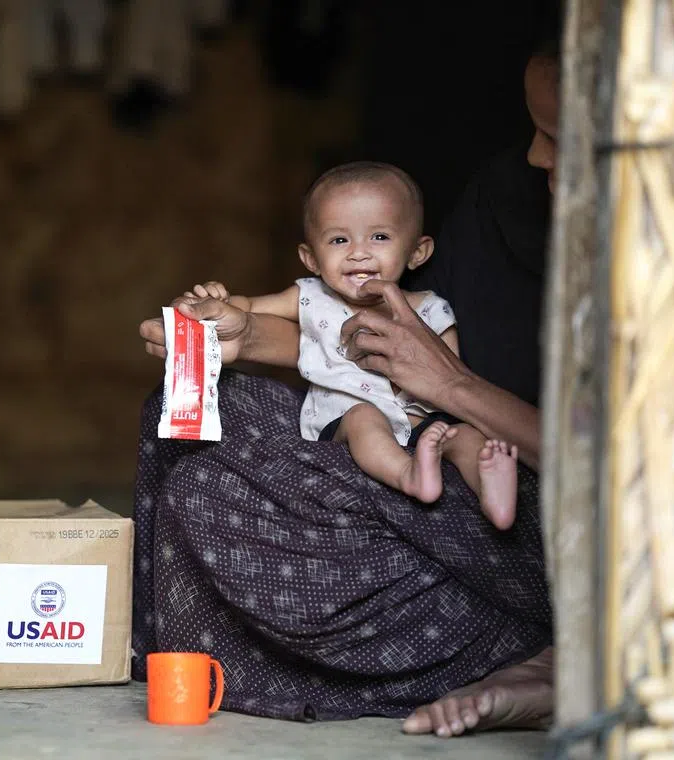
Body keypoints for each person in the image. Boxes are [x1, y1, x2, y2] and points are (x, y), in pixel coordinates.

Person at [133, 46, 560, 737]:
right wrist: (240, 335)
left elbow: (624, 473)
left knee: (466, 462)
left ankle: (546, 655)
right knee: (188, 425)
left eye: (560, 138)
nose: (537, 156)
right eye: (534, 131)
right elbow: (357, 334)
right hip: (390, 454)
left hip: (519, 511)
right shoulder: (504, 198)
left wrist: (450, 386)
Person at [185, 161, 521, 529]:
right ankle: (409, 475)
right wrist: (212, 302)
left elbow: (449, 377)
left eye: (379, 237)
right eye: (339, 240)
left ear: (417, 252)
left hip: (422, 422)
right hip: (343, 420)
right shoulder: (310, 295)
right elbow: (247, 308)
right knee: (365, 419)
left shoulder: (431, 309)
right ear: (311, 258)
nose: (358, 253)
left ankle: (495, 499)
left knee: (467, 436)